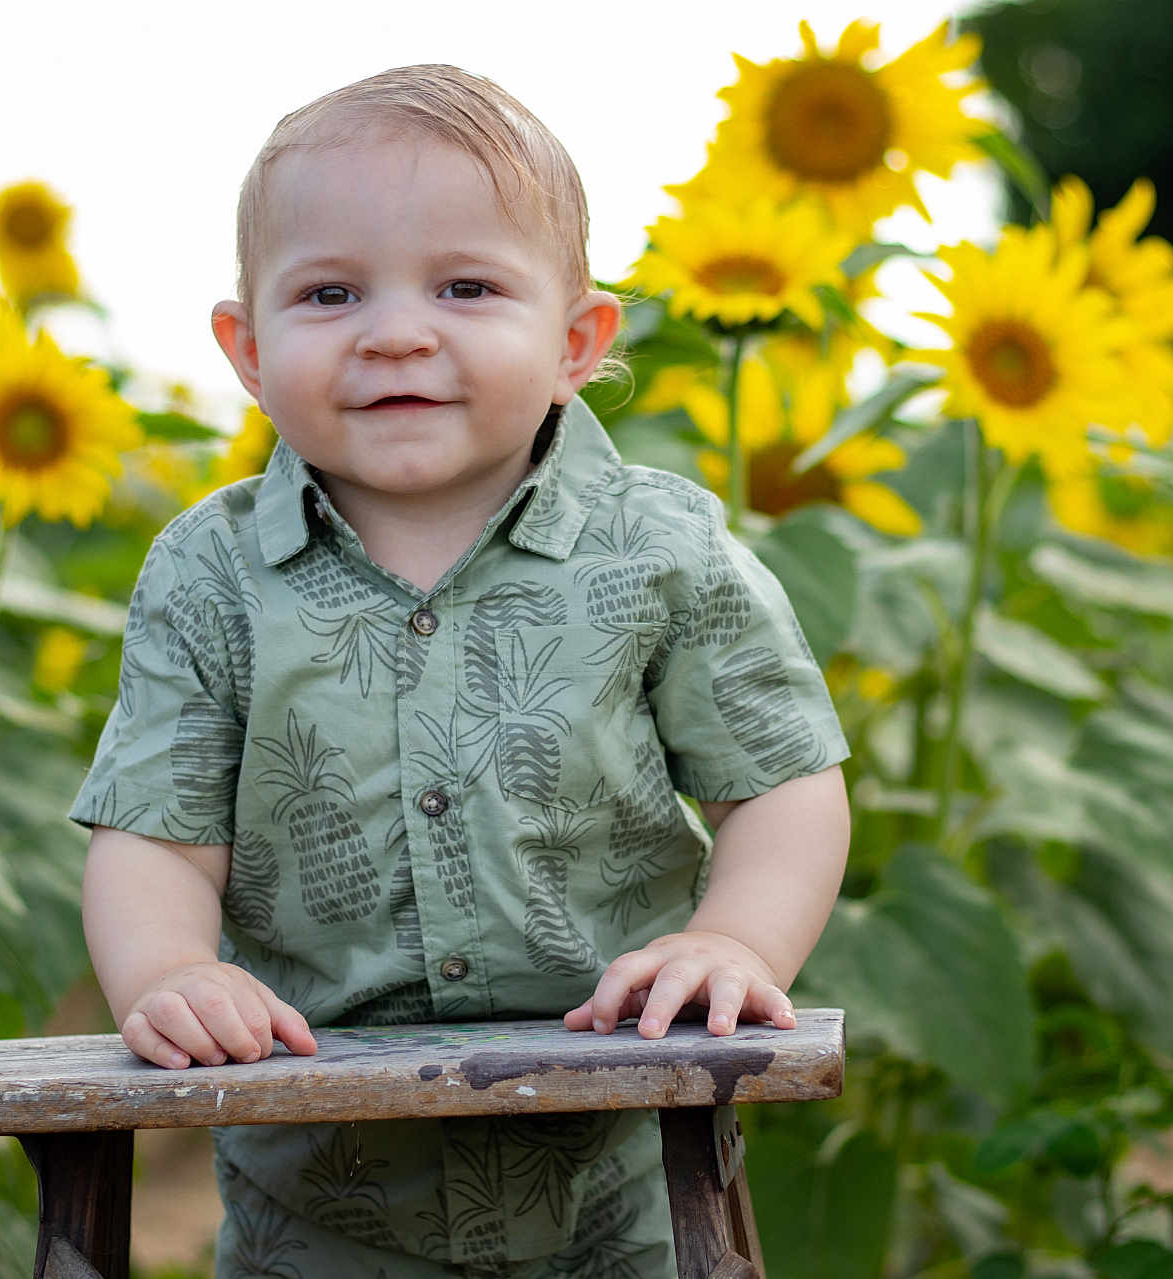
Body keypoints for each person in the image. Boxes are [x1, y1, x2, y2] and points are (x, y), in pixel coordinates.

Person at [73, 64, 851, 1278]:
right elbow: (154, 829)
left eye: (467, 287)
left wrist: (737, 942)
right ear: (246, 347)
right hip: (316, 1199)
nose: (396, 331)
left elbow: (783, 781)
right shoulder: (208, 573)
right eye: (328, 292)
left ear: (577, 341)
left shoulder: (658, 546)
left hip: (627, 1173)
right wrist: (169, 967)